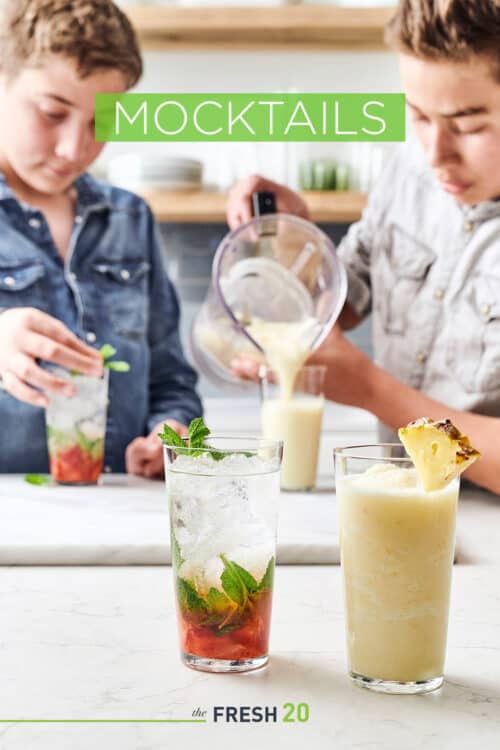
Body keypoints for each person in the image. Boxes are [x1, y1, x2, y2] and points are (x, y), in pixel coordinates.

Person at [226, 0, 500, 495]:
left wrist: (372, 390)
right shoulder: (408, 170)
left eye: (468, 124)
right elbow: (344, 307)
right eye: (418, 116)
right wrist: (296, 240)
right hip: (393, 496)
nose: (437, 154)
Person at [0, 0, 202, 477]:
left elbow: (172, 382)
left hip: (119, 513)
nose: (75, 148)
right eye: (53, 113)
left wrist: (171, 434)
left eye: (101, 122)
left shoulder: (130, 219)